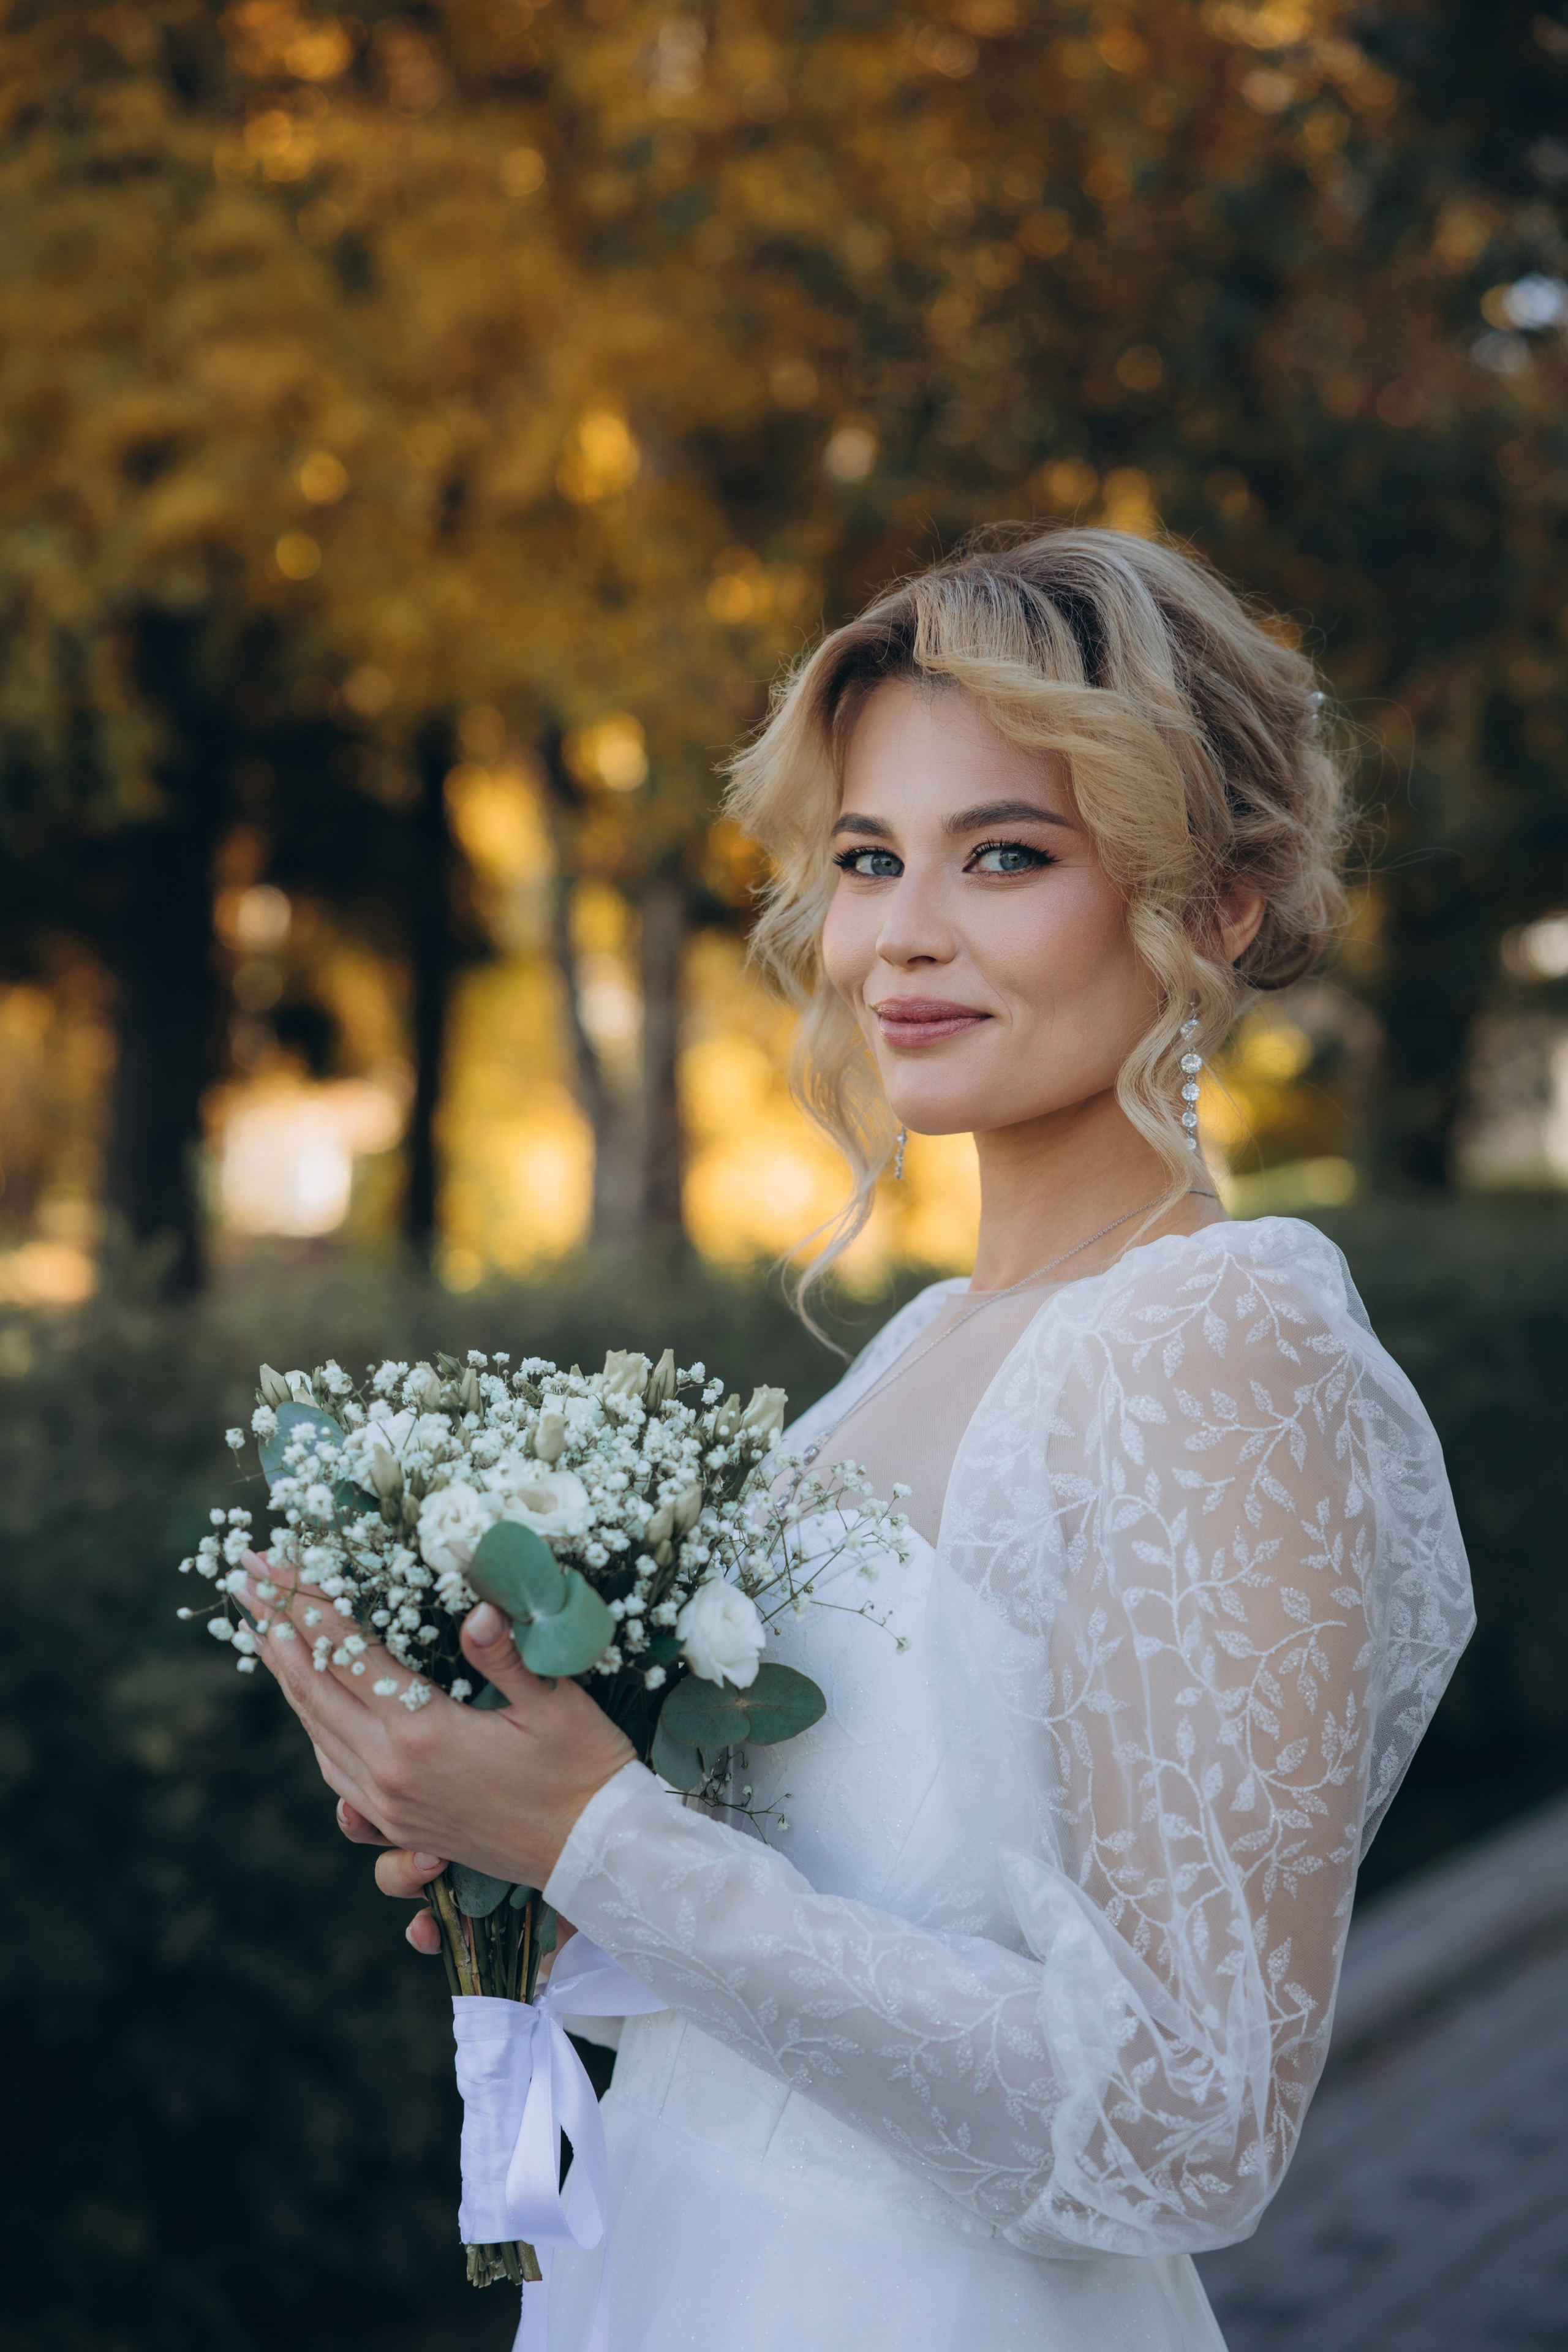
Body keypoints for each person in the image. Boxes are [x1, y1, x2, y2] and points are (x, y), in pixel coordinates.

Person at [249, 529, 1474, 2351]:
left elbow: (1189, 2126)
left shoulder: (1221, 1345)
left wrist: (610, 1845)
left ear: (1218, 899)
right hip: (673, 2263)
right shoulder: (920, 1343)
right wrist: (522, 1850)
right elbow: (840, 1904)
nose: (902, 930)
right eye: (868, 859)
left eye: (1005, 856)